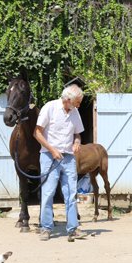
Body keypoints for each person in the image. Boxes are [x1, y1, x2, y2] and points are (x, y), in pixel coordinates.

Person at [33, 84, 86, 242]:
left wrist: (77, 142)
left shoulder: (75, 112)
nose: (79, 105)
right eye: (77, 102)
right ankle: (46, 228)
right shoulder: (50, 108)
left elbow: (77, 134)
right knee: (48, 192)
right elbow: (37, 133)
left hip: (68, 157)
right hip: (49, 156)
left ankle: (73, 229)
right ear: (68, 99)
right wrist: (52, 149)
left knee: (71, 193)